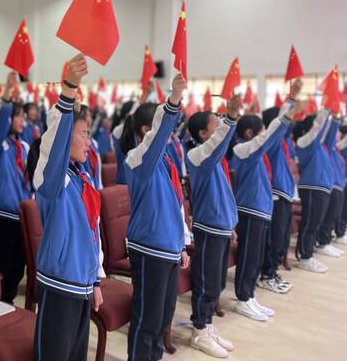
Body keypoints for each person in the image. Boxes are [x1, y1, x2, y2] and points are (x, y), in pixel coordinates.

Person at [27, 54, 104, 361]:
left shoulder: (83, 180)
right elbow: (54, 143)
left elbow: (93, 234)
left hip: (83, 285)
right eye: (83, 134)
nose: (88, 141)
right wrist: (69, 89)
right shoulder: (50, 182)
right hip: (59, 285)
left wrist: (95, 279)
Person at [121, 74, 191, 361]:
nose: (171, 135)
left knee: (162, 319)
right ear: (147, 130)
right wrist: (173, 99)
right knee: (147, 322)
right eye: (165, 130)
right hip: (149, 248)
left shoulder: (165, 161)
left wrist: (182, 244)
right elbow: (162, 133)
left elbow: (175, 205)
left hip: (168, 247)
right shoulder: (138, 158)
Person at [230, 99, 298, 322]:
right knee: (248, 256)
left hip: (260, 210)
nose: (263, 136)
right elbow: (267, 138)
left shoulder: (255, 153)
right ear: (249, 132)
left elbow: (269, 139)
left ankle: (249, 295)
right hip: (249, 210)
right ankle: (242, 298)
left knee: (257, 256)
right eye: (259, 132)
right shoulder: (242, 149)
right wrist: (286, 114)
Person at [185, 95, 241, 359]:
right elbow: (219, 144)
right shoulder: (197, 155)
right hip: (208, 227)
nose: (219, 127)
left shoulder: (216, 158)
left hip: (221, 226)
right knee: (206, 281)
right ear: (202, 133)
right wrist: (230, 119)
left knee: (217, 282)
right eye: (215, 124)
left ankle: (207, 324)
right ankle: (198, 330)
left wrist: (231, 224)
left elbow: (226, 194)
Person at [0, 71, 30, 303]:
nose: (23, 121)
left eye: (23, 117)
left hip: (21, 215)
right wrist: (7, 96)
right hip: (2, 216)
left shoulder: (24, 147)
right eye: (18, 117)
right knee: (2, 266)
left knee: (17, 267)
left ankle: (10, 300)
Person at [257, 81, 303, 294]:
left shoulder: (284, 141)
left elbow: (283, 126)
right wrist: (291, 100)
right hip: (275, 194)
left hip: (284, 194)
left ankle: (273, 271)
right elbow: (280, 125)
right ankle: (266, 274)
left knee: (282, 237)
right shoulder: (271, 142)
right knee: (274, 237)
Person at [293, 108, 334, 273]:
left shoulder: (320, 146)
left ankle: (308, 253)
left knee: (315, 223)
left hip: (320, 188)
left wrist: (335, 117)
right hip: (311, 187)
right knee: (310, 223)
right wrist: (326, 111)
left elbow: (326, 134)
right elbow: (318, 129)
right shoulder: (304, 142)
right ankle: (305, 257)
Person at [316, 114, 345, 258]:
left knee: (333, 215)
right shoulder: (327, 146)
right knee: (328, 217)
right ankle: (323, 241)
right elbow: (331, 132)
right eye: (337, 131)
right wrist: (335, 119)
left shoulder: (335, 149)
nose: (338, 134)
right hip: (332, 186)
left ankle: (326, 241)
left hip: (339, 186)